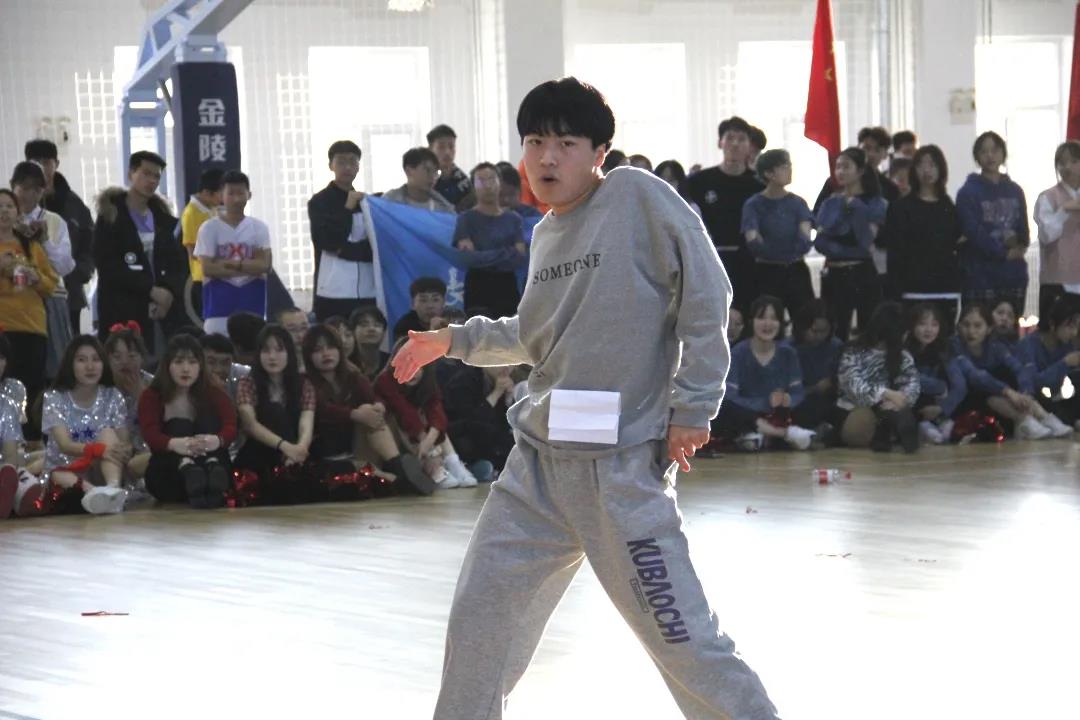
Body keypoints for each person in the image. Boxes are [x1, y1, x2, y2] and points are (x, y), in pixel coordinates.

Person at [392, 76, 779, 719]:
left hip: (622, 474)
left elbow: (708, 291)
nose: (547, 158)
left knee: (685, 642)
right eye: (534, 142)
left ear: (599, 152)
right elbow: (533, 334)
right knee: (478, 628)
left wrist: (693, 406)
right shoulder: (545, 234)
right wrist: (452, 340)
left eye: (566, 143)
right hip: (536, 471)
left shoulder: (635, 196)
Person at [302, 324, 433, 494]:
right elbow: (323, 410)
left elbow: (373, 396)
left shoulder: (352, 375)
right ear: (308, 356)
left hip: (357, 444)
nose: (326, 354)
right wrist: (354, 414)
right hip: (325, 451)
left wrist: (379, 405)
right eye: (318, 350)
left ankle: (398, 466)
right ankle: (399, 480)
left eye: (331, 347)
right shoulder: (305, 381)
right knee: (363, 470)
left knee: (370, 410)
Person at [93, 151, 186, 355]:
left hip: (161, 312)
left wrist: (168, 292)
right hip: (121, 307)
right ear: (131, 174)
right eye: (146, 173)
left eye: (156, 176)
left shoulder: (165, 220)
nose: (151, 180)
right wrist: (150, 290)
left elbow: (178, 265)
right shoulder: (110, 216)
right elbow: (107, 265)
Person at [138, 334, 236, 507]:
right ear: (167, 365)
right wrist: (175, 443)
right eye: (178, 362)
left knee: (207, 422)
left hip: (212, 461)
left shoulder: (214, 392)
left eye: (192, 362)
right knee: (179, 425)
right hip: (169, 473)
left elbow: (231, 426)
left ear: (200, 366)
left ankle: (212, 474)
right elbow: (150, 433)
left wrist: (216, 440)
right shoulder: (152, 396)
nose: (186, 369)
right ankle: (189, 471)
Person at [41, 336, 132, 514]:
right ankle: (94, 494)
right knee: (59, 475)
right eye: (82, 360)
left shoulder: (112, 396)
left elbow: (124, 443)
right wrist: (98, 450)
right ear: (70, 364)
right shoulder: (54, 397)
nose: (90, 367)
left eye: (96, 359)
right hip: (67, 473)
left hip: (101, 471)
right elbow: (65, 445)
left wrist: (124, 450)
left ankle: (112, 489)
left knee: (107, 433)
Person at [711, 295, 815, 450]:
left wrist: (787, 399)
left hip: (779, 413)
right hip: (748, 414)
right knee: (722, 407)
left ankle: (756, 437)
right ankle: (784, 434)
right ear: (751, 321)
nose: (767, 324)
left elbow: (798, 393)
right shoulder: (738, 353)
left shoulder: (788, 353)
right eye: (761, 318)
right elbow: (730, 396)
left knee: (814, 403)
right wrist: (765, 402)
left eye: (773, 318)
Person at [685, 115, 765, 311]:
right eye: (730, 138)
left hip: (750, 265)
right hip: (709, 263)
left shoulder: (760, 185)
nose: (735, 144)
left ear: (750, 146)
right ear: (720, 143)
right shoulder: (698, 182)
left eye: (741, 139)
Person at [950, 304, 1063, 439]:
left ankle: (1042, 416)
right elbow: (975, 376)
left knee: (1009, 378)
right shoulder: (954, 346)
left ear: (989, 329)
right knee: (985, 388)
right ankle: (1023, 419)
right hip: (964, 401)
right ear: (958, 327)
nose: (971, 331)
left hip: (994, 400)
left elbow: (1019, 369)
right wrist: (1008, 392)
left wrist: (1026, 393)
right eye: (966, 325)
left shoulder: (995, 346)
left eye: (977, 326)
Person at [375, 340, 477, 489]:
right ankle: (434, 468)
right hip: (396, 435)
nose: (412, 371)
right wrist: (426, 441)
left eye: (418, 365)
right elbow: (404, 411)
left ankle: (453, 462)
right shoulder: (385, 380)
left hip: (421, 437)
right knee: (408, 416)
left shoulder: (428, 381)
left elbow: (437, 410)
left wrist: (429, 439)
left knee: (434, 420)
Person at [233, 324, 317, 504]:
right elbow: (250, 425)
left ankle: (292, 468)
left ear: (289, 353)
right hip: (260, 453)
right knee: (274, 411)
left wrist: (300, 448)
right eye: (266, 350)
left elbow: (306, 421)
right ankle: (291, 469)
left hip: (296, 453)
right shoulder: (248, 383)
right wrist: (286, 447)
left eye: (279, 350)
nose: (272, 357)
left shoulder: (303, 384)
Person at [0, 188, 59, 434]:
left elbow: (52, 283)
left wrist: (36, 278)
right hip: (3, 329)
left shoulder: (31, 246)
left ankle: (33, 442)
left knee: (32, 389)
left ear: (17, 212)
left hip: (32, 328)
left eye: (9, 206)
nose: (4, 211)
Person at [883, 145, 963, 326]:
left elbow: (955, 241)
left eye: (932, 165)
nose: (927, 170)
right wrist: (895, 291)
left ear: (941, 169)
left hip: (945, 287)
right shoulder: (900, 207)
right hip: (912, 287)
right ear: (914, 169)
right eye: (921, 165)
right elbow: (895, 252)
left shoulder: (948, 206)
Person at [814, 147, 888, 340]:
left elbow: (866, 242)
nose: (840, 172)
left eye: (846, 167)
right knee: (834, 329)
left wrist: (856, 210)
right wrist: (843, 248)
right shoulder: (830, 202)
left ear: (860, 170)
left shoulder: (876, 203)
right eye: (838, 167)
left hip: (862, 272)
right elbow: (820, 242)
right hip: (834, 272)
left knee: (868, 328)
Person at [11, 161, 74, 379]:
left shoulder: (55, 221)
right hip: (12, 301)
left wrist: (45, 240)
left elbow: (65, 266)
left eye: (36, 189)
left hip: (51, 300)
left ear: (43, 191)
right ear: (13, 186)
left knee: (54, 370)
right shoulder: (5, 220)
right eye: (24, 187)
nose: (29, 194)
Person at [24, 139, 95, 333]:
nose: (41, 167)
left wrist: (79, 273)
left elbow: (89, 246)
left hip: (69, 294)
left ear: (56, 163)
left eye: (46, 162)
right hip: (27, 295)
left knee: (68, 346)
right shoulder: (15, 205)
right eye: (35, 161)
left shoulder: (75, 205)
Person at [956, 131, 1030, 314]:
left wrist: (1020, 243)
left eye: (995, 150)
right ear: (977, 157)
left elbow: (1024, 229)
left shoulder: (1015, 190)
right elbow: (973, 231)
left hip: (1012, 273)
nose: (990, 156)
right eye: (984, 151)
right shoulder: (968, 192)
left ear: (1003, 154)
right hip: (980, 274)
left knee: (1009, 325)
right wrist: (1002, 253)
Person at [835, 302, 921, 452]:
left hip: (887, 406)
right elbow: (853, 386)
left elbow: (913, 383)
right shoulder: (853, 352)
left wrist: (900, 400)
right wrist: (885, 393)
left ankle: (897, 432)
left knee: (899, 412)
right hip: (856, 406)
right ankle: (880, 434)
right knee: (861, 423)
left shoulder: (903, 355)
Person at [195, 170, 272, 335]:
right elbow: (208, 268)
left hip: (253, 307)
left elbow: (265, 265)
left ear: (249, 195)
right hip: (218, 309)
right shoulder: (209, 228)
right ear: (221, 196)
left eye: (240, 193)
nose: (236, 199)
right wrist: (249, 265)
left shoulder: (259, 227)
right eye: (231, 193)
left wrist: (227, 264)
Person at [741, 149, 814, 320]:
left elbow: (805, 240)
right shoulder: (753, 204)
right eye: (784, 166)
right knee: (769, 319)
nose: (790, 170)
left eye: (790, 165)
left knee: (804, 319)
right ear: (769, 173)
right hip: (767, 272)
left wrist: (772, 247)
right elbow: (753, 242)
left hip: (796, 270)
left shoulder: (798, 202)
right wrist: (784, 250)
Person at [308, 140, 376, 322]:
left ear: (358, 167)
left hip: (367, 289)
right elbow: (326, 241)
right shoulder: (320, 201)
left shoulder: (367, 202)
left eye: (352, 161)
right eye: (341, 162)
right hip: (332, 289)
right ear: (331, 165)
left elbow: (374, 246)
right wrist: (347, 208)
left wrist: (345, 251)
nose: (347, 167)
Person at [453, 162, 527, 318]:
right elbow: (468, 258)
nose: (487, 185)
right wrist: (506, 253)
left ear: (500, 183)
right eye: (481, 181)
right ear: (473, 187)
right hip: (477, 286)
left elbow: (519, 257)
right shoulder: (465, 219)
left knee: (510, 331)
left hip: (507, 286)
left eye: (492, 179)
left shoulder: (514, 219)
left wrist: (482, 255)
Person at [1015, 296, 1080, 429]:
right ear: (1052, 324)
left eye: (1077, 327)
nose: (1074, 333)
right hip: (1036, 401)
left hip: (1060, 399)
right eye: (1070, 326)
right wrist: (1064, 363)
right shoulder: (1028, 345)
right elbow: (1034, 382)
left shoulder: (1068, 345)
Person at [903, 303, 964, 444]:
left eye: (934, 324)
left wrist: (942, 408)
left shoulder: (944, 350)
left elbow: (960, 384)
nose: (928, 330)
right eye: (922, 324)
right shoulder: (904, 349)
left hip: (937, 404)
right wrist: (939, 387)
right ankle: (922, 425)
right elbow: (909, 378)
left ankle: (939, 421)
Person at [1034, 141, 1080, 319]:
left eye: (1074, 161)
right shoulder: (1048, 197)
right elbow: (1046, 235)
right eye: (1062, 163)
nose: (1067, 167)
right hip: (1058, 280)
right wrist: (1064, 210)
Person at [104, 323, 153, 480]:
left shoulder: (153, 384)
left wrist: (140, 396)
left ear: (142, 358)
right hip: (114, 452)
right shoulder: (102, 389)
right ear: (108, 360)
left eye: (131, 356)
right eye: (117, 357)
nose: (125, 362)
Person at [790, 300, 842, 433]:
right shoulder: (789, 349)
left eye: (824, 331)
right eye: (814, 331)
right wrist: (815, 389)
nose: (819, 336)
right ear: (802, 327)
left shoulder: (836, 346)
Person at [179, 167, 224, 322]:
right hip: (203, 279)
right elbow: (192, 251)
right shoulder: (191, 214)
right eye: (221, 194)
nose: (223, 198)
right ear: (206, 193)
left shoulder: (213, 209)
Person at [383, 147, 455, 213]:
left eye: (435, 172)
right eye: (427, 170)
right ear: (408, 171)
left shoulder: (444, 208)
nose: (432, 177)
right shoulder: (389, 202)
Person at [428, 124, 474, 210]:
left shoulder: (463, 181)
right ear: (430, 149)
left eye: (451, 147)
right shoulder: (424, 179)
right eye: (441, 147)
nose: (447, 152)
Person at [200, 332, 250, 402]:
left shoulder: (243, 376)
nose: (218, 369)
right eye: (211, 362)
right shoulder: (189, 381)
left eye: (225, 363)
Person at [347, 305, 390, 380]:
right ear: (353, 331)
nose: (371, 329)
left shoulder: (392, 362)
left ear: (384, 332)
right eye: (364, 325)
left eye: (377, 325)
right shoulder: (345, 364)